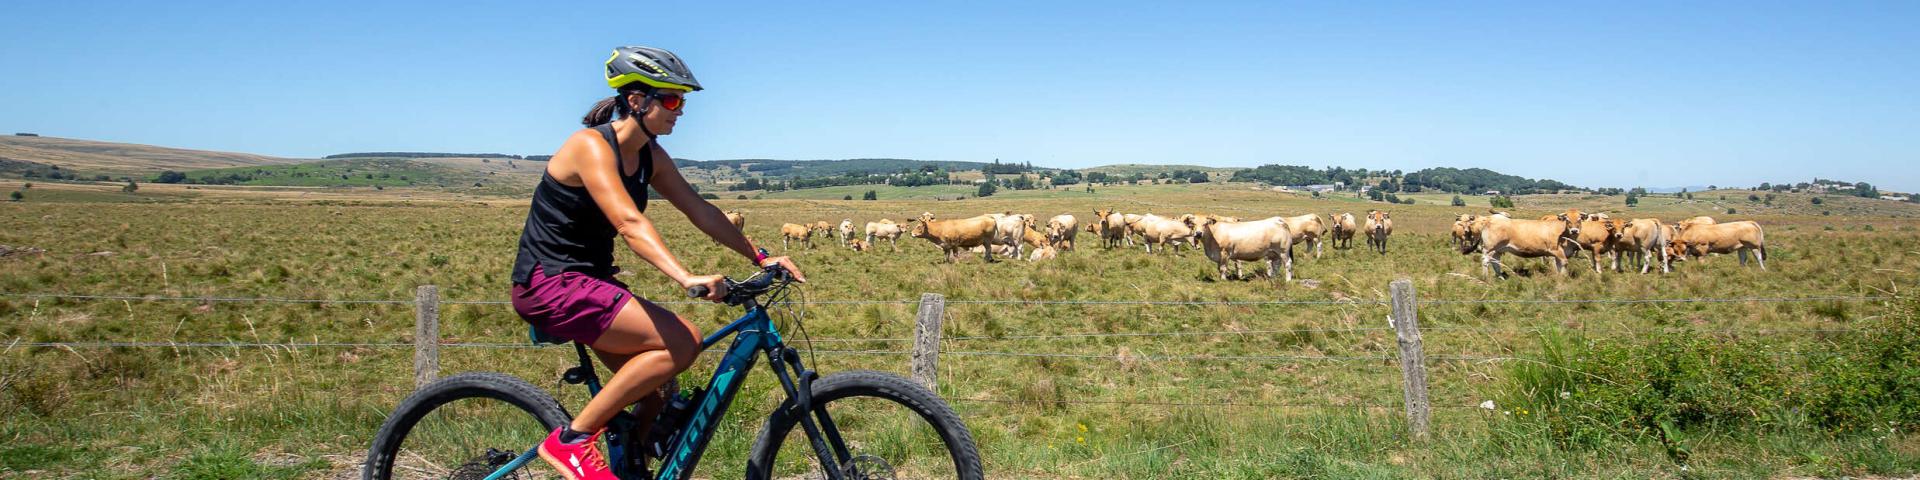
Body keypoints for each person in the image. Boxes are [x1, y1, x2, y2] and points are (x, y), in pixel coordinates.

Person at [510, 45, 806, 480]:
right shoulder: (590, 147)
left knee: (660, 391)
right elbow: (629, 223)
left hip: (590, 282)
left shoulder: (650, 155)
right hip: (551, 283)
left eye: (682, 100)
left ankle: (631, 465)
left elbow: (699, 209)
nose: (680, 110)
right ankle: (571, 440)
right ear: (636, 101)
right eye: (671, 99)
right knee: (681, 342)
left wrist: (761, 255)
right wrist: (686, 277)